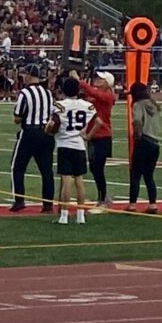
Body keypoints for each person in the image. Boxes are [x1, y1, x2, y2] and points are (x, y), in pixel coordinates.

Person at [51, 78, 101, 225]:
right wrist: (88, 136)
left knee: (66, 179)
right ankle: (80, 216)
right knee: (79, 180)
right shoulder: (87, 105)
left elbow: (52, 124)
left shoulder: (60, 105)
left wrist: (48, 130)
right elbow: (98, 122)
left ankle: (64, 216)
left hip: (65, 144)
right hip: (79, 145)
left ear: (63, 90)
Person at [9, 64, 55, 213]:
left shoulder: (25, 93)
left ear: (29, 75)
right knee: (46, 171)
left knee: (17, 167)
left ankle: (19, 200)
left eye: (24, 74)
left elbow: (17, 118)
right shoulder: (47, 92)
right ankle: (47, 204)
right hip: (46, 133)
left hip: (29, 133)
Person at [77, 70, 116, 208]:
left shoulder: (108, 96)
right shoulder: (97, 94)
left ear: (107, 83)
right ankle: (103, 195)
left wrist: (80, 82)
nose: (97, 79)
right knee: (94, 168)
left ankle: (102, 198)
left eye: (101, 79)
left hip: (103, 136)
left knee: (97, 167)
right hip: (93, 135)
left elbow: (94, 94)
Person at [127, 83, 162, 214]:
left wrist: (137, 134)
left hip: (144, 141)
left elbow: (137, 121)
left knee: (135, 174)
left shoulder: (138, 105)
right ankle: (152, 203)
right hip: (155, 142)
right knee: (149, 175)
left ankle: (132, 204)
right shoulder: (153, 104)